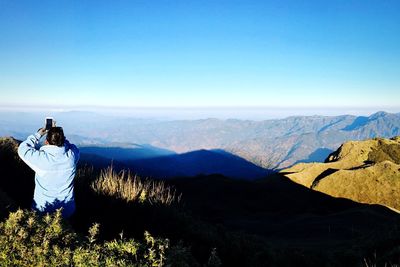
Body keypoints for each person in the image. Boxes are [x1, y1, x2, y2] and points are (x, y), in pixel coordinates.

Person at [17, 125, 80, 218]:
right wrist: (60, 138)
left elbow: (22, 149)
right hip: (67, 210)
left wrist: (38, 135)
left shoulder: (40, 160)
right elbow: (71, 146)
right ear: (63, 140)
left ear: (46, 141)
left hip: (42, 209)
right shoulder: (72, 157)